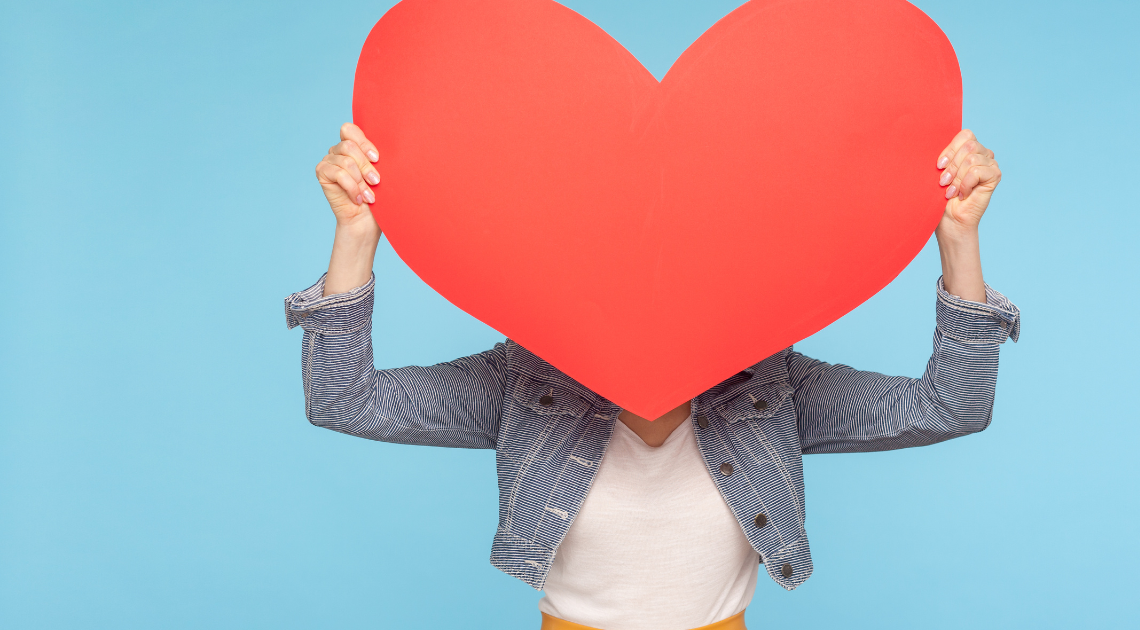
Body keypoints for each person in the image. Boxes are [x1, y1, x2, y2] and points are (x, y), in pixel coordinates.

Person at [285, 122, 1020, 630]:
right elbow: (345, 399)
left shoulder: (772, 385)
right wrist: (356, 235)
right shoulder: (524, 379)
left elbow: (950, 405)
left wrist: (959, 240)